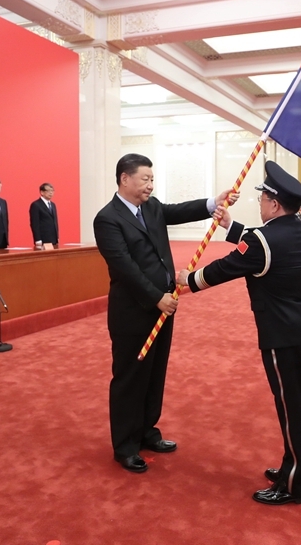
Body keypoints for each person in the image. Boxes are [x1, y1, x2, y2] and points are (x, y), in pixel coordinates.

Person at [177, 161, 301, 506]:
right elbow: (260, 244)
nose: (260, 204)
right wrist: (231, 226)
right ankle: (291, 467)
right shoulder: (299, 229)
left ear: (274, 203)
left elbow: (229, 266)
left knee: (293, 409)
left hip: (282, 334)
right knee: (299, 404)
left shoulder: (264, 240)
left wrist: (189, 279)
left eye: (262, 200)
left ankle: (296, 485)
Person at [92, 153, 236, 474]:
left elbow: (177, 211)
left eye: (152, 179)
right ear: (125, 179)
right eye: (145, 179)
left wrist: (213, 202)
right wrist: (156, 297)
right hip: (134, 311)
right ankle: (125, 446)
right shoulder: (108, 219)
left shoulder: (152, 207)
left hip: (164, 305)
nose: (150, 185)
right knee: (130, 377)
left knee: (155, 373)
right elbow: (125, 267)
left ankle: (147, 431)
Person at [29, 183, 59, 249]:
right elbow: (34, 223)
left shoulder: (53, 205)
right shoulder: (36, 205)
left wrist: (57, 237)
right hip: (43, 239)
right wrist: (37, 239)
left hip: (53, 239)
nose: (51, 193)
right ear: (42, 192)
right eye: (48, 191)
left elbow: (55, 222)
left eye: (52, 191)